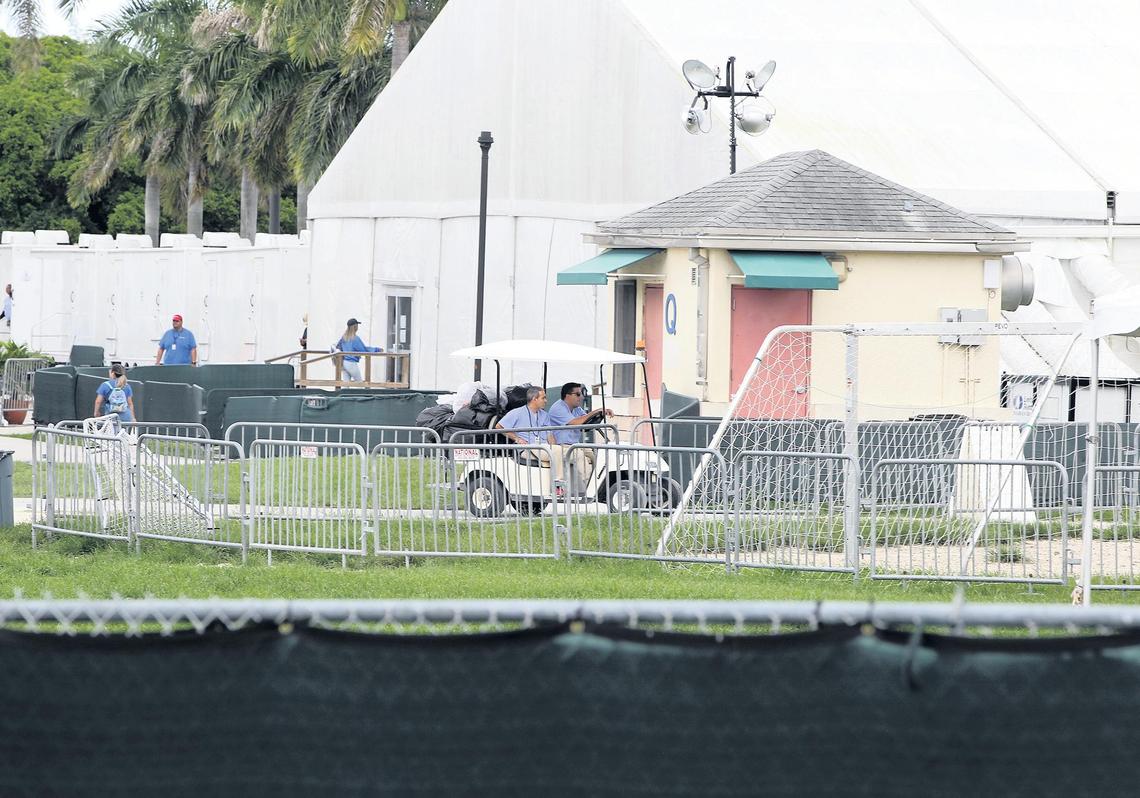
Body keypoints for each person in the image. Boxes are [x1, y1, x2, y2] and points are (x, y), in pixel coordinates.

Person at [496, 386, 566, 493]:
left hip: (544, 447)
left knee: (572, 452)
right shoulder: (517, 412)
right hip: (528, 447)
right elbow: (499, 427)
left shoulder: (545, 415)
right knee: (557, 452)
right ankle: (558, 485)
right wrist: (517, 438)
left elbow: (550, 435)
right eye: (543, 398)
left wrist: (555, 446)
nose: (546, 401)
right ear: (534, 399)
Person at [547, 382, 614, 483]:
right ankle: (589, 487)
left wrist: (600, 414)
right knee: (579, 456)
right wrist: (597, 411)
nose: (581, 397)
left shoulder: (577, 409)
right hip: (562, 446)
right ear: (567, 395)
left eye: (582, 394)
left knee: (596, 456)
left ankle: (603, 484)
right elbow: (576, 422)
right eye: (578, 394)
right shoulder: (558, 408)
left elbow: (586, 419)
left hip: (574, 444)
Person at [333, 317, 381, 382]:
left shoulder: (344, 337)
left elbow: (338, 347)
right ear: (355, 327)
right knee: (359, 383)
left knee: (346, 384)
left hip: (343, 363)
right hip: (351, 363)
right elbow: (363, 350)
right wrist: (376, 350)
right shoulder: (355, 338)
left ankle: (344, 392)